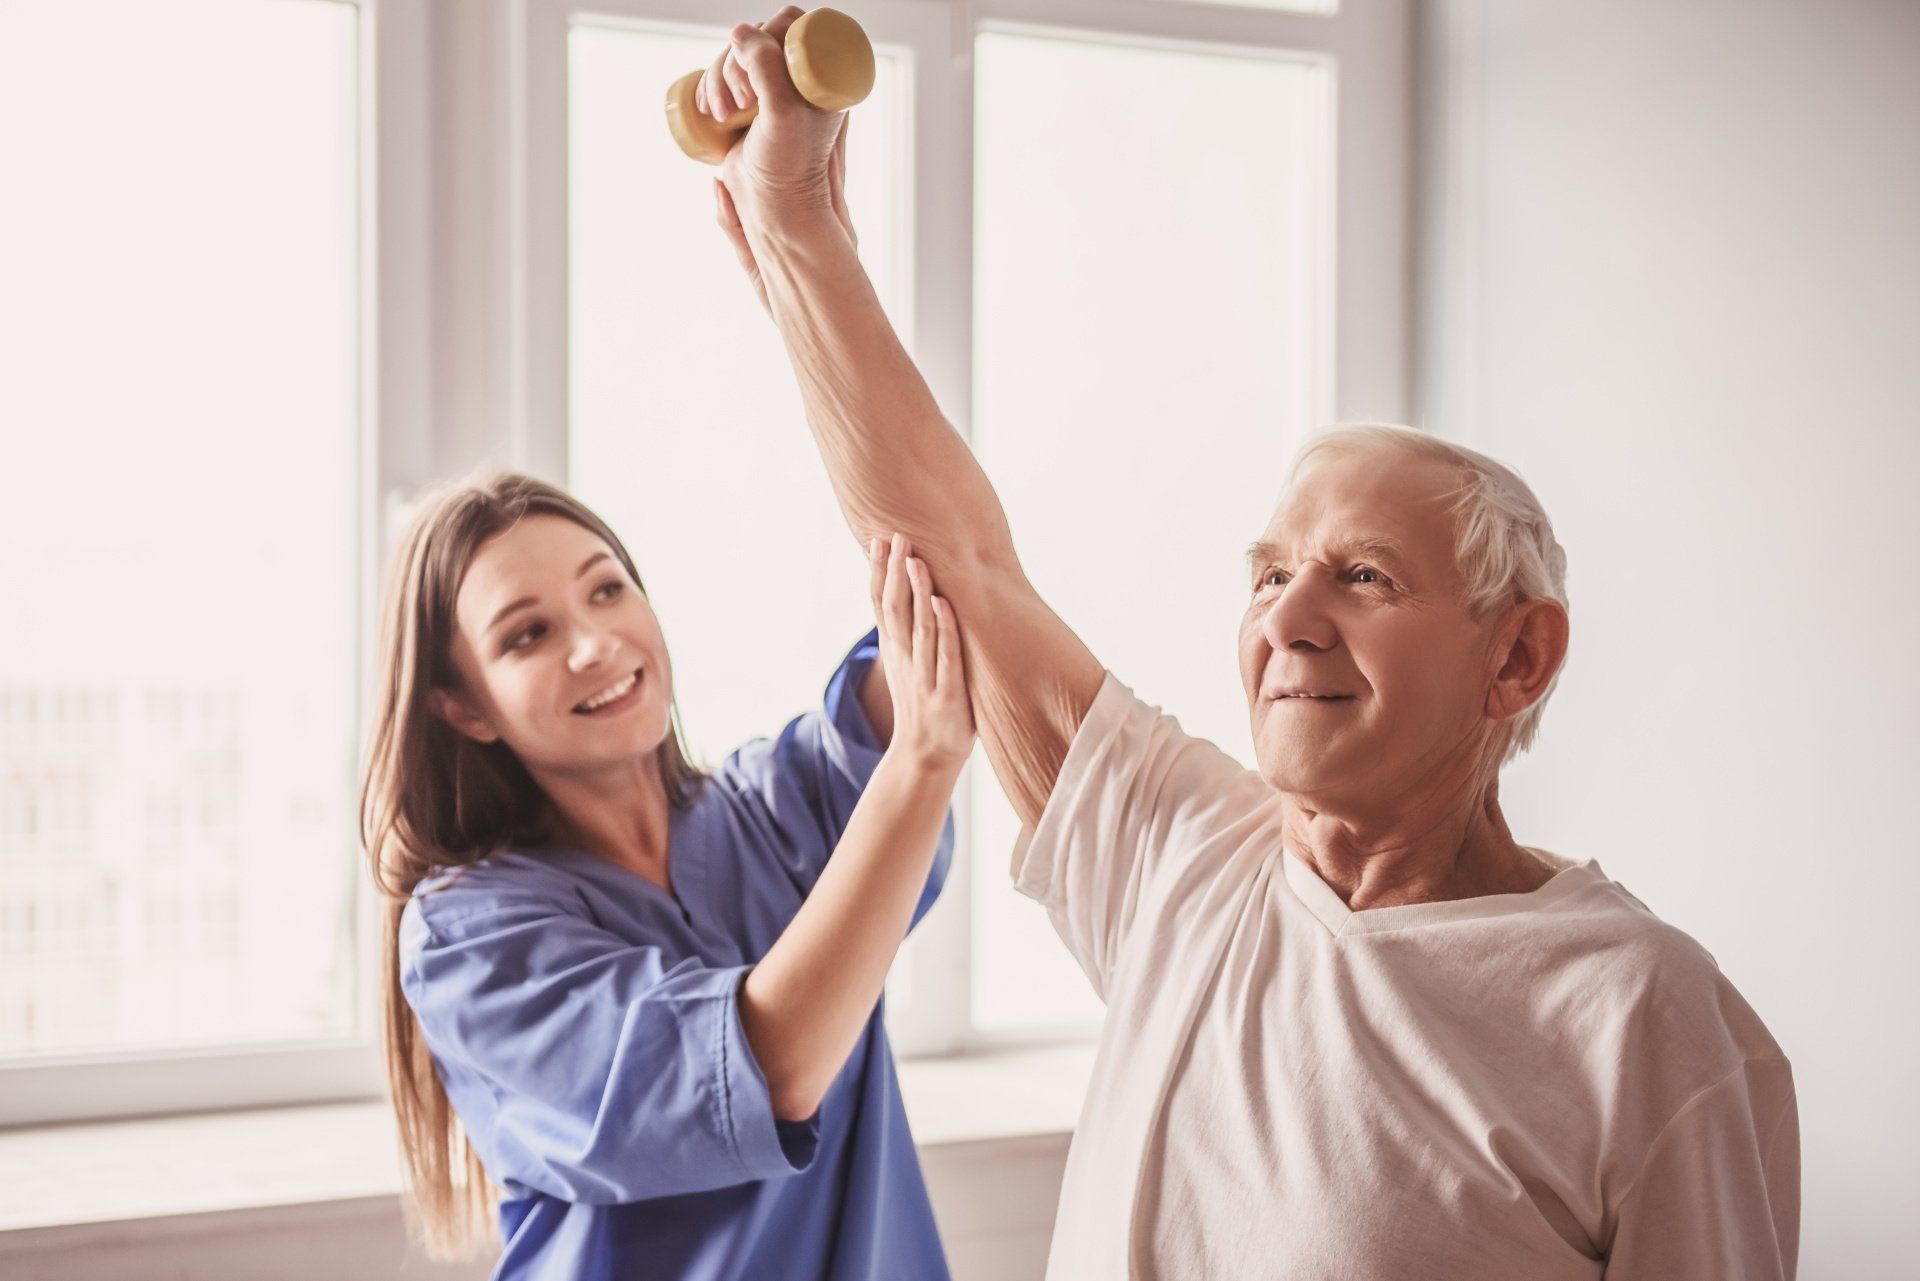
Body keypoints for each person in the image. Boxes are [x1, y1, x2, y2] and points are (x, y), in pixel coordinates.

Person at [697, 11, 1800, 1278]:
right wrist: (797, 225)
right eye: (1270, 573)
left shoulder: (1643, 1014)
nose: (1285, 618)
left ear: (1519, 660)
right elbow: (957, 562)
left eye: (1364, 576)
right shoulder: (1185, 860)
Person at [360, 471, 971, 1280]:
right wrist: (921, 763)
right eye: (527, 635)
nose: (594, 644)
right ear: (462, 708)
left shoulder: (780, 804)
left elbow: (951, 585)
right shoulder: (468, 941)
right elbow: (775, 1066)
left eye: (606, 589)